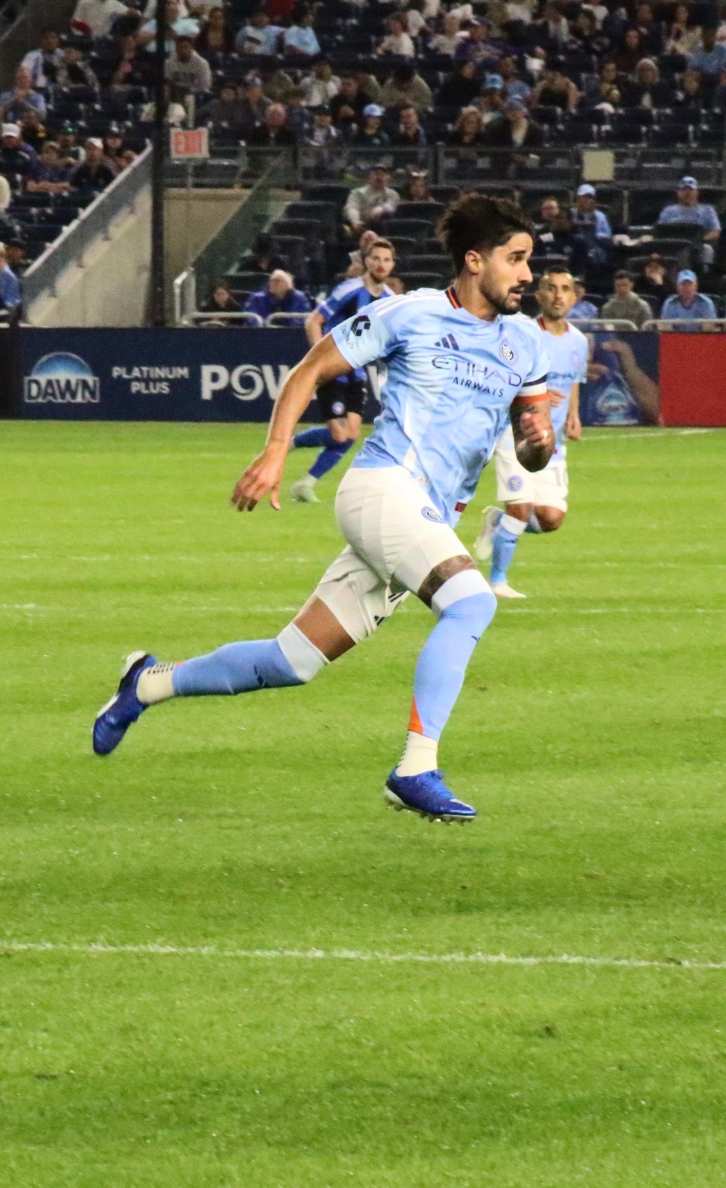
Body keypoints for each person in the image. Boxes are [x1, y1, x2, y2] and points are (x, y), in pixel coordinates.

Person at [90, 192, 557, 823]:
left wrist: (538, 444)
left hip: (427, 518)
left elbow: (532, 442)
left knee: (291, 660)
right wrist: (276, 452)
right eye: (516, 259)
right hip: (384, 488)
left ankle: (147, 682)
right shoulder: (408, 314)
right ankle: (416, 768)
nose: (528, 274)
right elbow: (310, 369)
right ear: (475, 260)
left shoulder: (525, 342)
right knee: (470, 602)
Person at [473, 267, 584, 600]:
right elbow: (496, 377)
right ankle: (497, 582)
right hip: (515, 433)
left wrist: (574, 415)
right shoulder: (522, 333)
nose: (558, 295)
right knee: (520, 508)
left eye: (565, 289)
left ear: (574, 297)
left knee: (550, 518)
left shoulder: (579, 341)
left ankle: (497, 521)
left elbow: (573, 380)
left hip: (551, 441)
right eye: (551, 288)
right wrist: (534, 392)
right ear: (539, 295)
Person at [289, 239, 397, 504]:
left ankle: (306, 483)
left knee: (351, 435)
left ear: (392, 265)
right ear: (367, 261)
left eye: (386, 260)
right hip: (333, 370)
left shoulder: (390, 301)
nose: (381, 264)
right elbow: (314, 321)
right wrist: (320, 361)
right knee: (339, 434)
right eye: (376, 258)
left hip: (356, 373)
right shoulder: (349, 290)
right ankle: (290, 444)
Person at [656, 176, 721, 263]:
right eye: (684, 190)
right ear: (678, 192)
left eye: (690, 190)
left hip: (697, 246)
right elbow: (659, 231)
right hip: (672, 245)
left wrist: (698, 241)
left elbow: (715, 233)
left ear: (697, 192)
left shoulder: (708, 210)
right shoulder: (668, 211)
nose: (687, 193)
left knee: (708, 249)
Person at [243, 269, 310, 324]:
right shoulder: (257, 298)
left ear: (287, 284)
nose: (272, 283)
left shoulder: (299, 298)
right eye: (271, 281)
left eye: (277, 281)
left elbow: (304, 320)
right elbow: (251, 319)